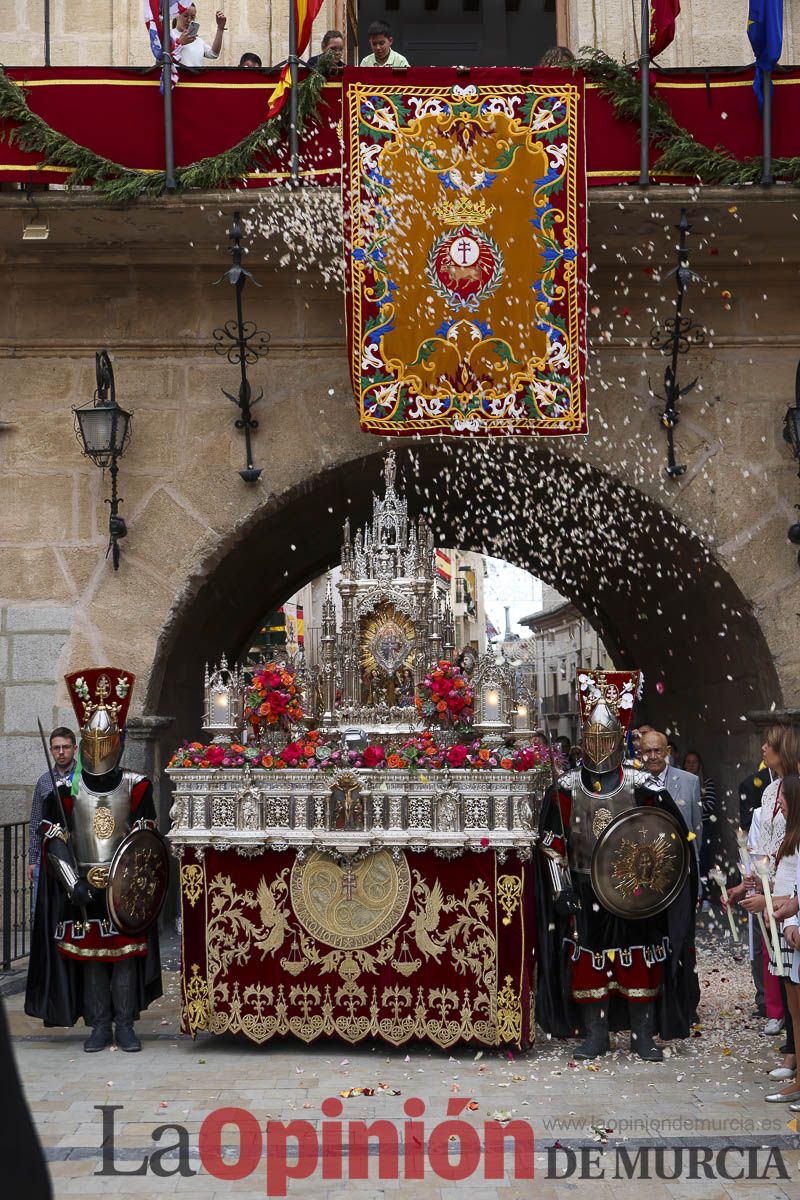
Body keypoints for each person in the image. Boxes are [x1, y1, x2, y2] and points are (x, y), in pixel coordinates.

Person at [537, 670, 699, 1061]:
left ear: (620, 741)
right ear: (583, 741)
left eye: (605, 739)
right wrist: (560, 888)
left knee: (640, 958)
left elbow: (669, 837)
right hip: (583, 888)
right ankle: (596, 1033)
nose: (599, 746)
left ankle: (642, 1034)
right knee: (588, 961)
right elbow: (551, 844)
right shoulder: (566, 787)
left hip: (635, 892)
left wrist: (656, 882)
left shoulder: (644, 785)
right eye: (592, 740)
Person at [25, 668, 163, 1054]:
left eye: (107, 741)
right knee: (91, 958)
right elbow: (54, 839)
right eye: (94, 742)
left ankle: (124, 1024)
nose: (100, 749)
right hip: (82, 887)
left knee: (123, 958)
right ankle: (100, 1026)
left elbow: (144, 839)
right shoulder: (64, 790)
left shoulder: (137, 786)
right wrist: (74, 884)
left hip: (124, 891)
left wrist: (129, 884)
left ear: (117, 742)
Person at [28, 727, 77, 915]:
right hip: (49, 854)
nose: (61, 752)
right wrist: (33, 860)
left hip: (77, 853)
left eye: (65, 747)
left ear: (74, 748)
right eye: (56, 748)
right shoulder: (44, 782)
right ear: (51, 751)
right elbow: (35, 823)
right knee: (42, 910)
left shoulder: (83, 778)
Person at [639, 729, 702, 859]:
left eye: (657, 750)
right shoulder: (633, 783)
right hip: (644, 863)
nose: (653, 756)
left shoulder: (690, 781)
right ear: (640, 754)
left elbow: (697, 829)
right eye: (647, 751)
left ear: (667, 751)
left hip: (681, 860)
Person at [683, 750, 717, 909]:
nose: (691, 765)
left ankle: (706, 897)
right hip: (685, 828)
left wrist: (689, 807)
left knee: (704, 862)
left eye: (694, 762)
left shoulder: (707, 782)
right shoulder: (680, 782)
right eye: (688, 762)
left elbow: (710, 805)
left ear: (699, 764)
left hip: (704, 827)